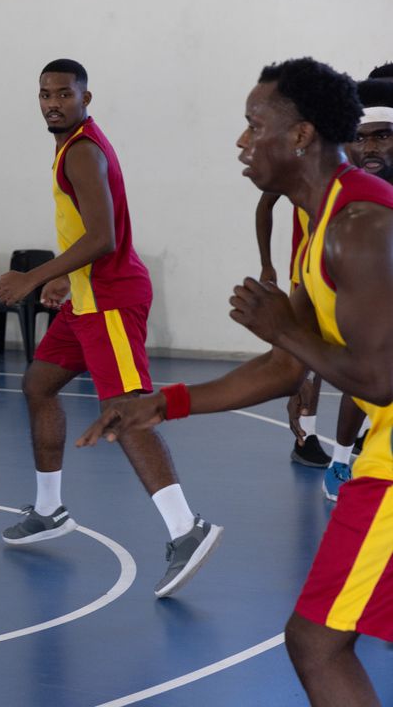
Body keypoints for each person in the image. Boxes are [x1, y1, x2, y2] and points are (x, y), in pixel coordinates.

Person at [79, 57, 393, 707]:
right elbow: (288, 369)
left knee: (316, 643)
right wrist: (160, 403)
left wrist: (286, 329)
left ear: (301, 135)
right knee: (322, 641)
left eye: (255, 126)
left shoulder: (361, 228)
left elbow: (379, 379)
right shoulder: (316, 221)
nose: (242, 141)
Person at [0, 59, 222, 599]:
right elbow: (87, 236)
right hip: (88, 298)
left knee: (126, 409)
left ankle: (186, 529)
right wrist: (66, 280)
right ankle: (49, 509)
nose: (53, 103)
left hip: (113, 301)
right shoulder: (70, 145)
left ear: (86, 97)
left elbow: (102, 236)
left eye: (63, 94)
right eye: (44, 94)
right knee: (39, 384)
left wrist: (33, 277)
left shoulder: (83, 152)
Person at [323, 77, 393, 502]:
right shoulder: (346, 201)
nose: (369, 148)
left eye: (382, 137)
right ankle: (340, 459)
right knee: (364, 366)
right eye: (360, 138)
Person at [254, 192, 330, 469]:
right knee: (312, 359)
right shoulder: (300, 166)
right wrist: (266, 263)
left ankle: (364, 431)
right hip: (309, 274)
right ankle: (305, 437)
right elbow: (265, 204)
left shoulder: (363, 166)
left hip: (350, 272)